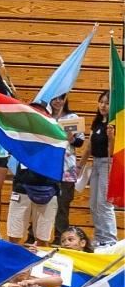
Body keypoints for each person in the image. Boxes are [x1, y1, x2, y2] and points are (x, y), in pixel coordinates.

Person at [47, 96, 86, 232]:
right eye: (55, 98)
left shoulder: (72, 117)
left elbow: (80, 142)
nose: (58, 101)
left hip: (66, 169)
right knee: (42, 202)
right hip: (47, 167)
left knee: (63, 204)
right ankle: (34, 235)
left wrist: (72, 139)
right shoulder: (45, 117)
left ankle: (60, 237)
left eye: (61, 98)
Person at [85, 92, 117, 245]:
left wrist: (111, 137)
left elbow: (112, 153)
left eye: (107, 103)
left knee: (104, 204)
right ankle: (99, 237)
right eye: (101, 102)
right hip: (96, 163)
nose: (103, 105)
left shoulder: (114, 124)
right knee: (93, 204)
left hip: (107, 164)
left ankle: (110, 239)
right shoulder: (96, 122)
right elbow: (89, 146)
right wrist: (80, 165)